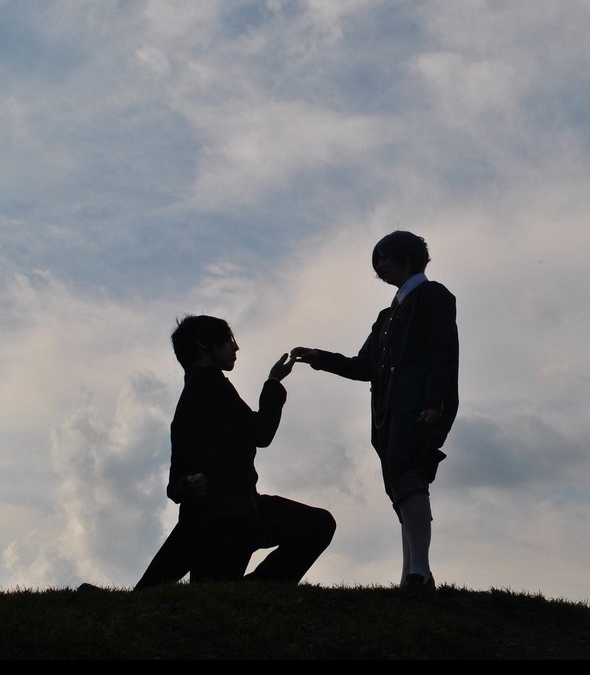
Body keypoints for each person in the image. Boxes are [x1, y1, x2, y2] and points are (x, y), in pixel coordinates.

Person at [291, 230, 459, 593]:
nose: (379, 266)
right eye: (377, 261)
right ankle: (413, 572)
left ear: (407, 258)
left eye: (384, 258)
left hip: (417, 406)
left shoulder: (434, 295)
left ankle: (419, 569)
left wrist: (435, 403)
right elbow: (364, 366)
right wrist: (320, 358)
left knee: (407, 475)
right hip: (387, 413)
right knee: (398, 484)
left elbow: (444, 352)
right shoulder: (386, 316)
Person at [134, 314, 336, 588]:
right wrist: (274, 382)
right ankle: (256, 591)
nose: (235, 346)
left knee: (317, 525)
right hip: (224, 520)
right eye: (228, 339)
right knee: (317, 525)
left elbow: (176, 480)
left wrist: (186, 483)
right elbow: (260, 433)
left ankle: (252, 592)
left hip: (237, 512)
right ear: (204, 344)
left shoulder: (202, 390)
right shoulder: (209, 386)